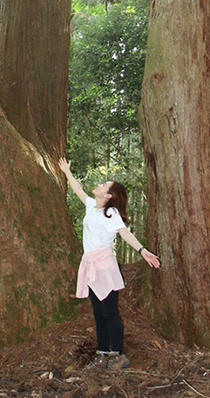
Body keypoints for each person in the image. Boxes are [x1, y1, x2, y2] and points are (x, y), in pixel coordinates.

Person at [58, 157, 161, 372]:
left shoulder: (111, 213)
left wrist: (142, 251)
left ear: (110, 196)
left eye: (105, 185)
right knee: (98, 312)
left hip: (104, 266)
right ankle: (103, 353)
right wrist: (67, 172)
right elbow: (78, 190)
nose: (100, 185)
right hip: (90, 265)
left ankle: (118, 354)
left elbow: (124, 233)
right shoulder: (91, 207)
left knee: (110, 312)